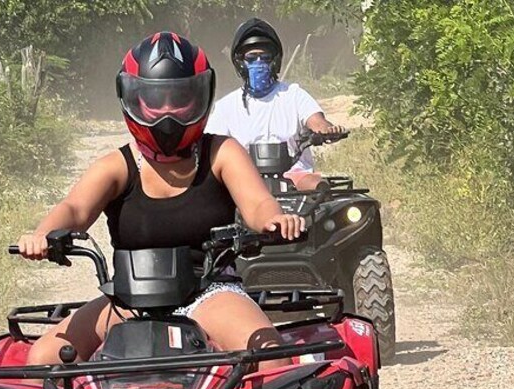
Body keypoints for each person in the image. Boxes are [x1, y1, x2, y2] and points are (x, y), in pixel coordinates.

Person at [17, 32, 304, 367]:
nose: (168, 112)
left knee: (272, 360)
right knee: (42, 358)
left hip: (209, 291)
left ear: (200, 96)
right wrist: (43, 234)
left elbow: (257, 204)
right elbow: (74, 209)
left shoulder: (221, 152)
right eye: (156, 99)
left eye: (179, 97)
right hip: (128, 298)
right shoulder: (117, 165)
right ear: (133, 99)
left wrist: (274, 219)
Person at [205, 18, 346, 191]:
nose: (259, 63)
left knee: (320, 188)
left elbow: (316, 121)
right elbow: (211, 143)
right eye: (252, 58)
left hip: (295, 177)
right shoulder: (226, 107)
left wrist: (327, 130)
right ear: (241, 63)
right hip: (245, 180)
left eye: (264, 58)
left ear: (275, 61)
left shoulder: (294, 95)